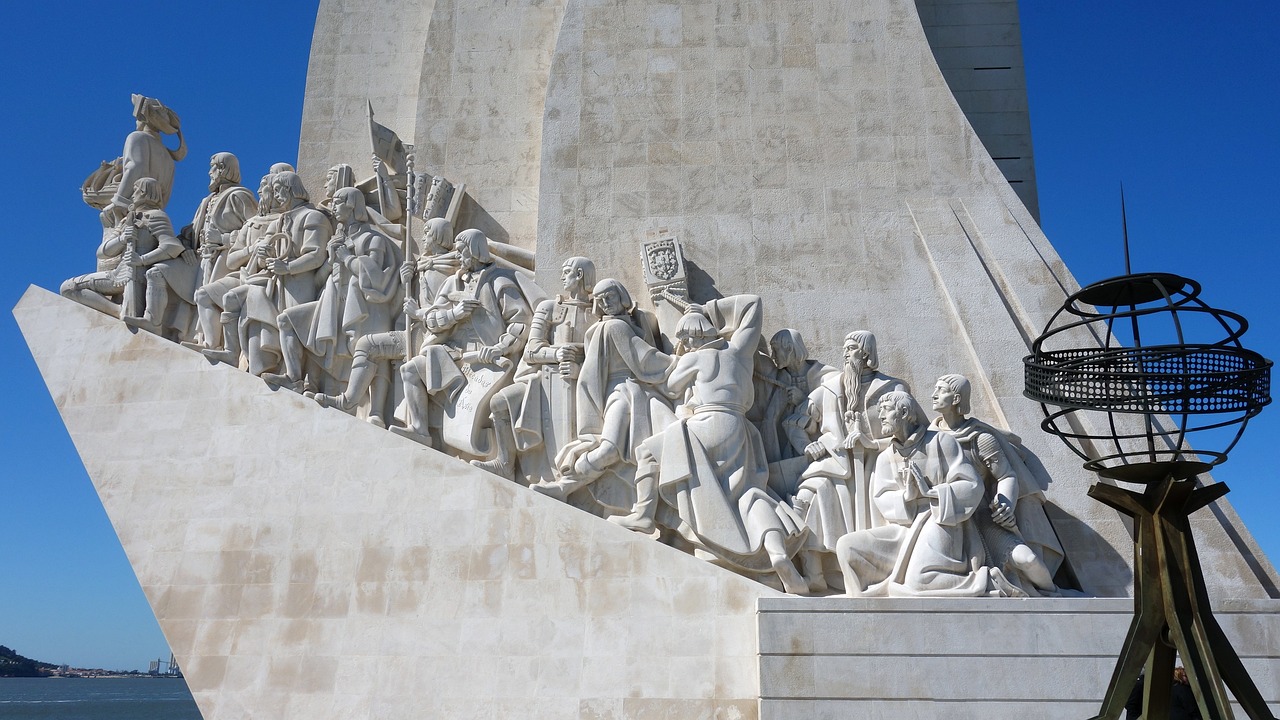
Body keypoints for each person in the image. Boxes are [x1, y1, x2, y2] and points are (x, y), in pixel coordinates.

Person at [615, 296, 810, 595]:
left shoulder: (694, 357)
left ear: (691, 338)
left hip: (707, 425)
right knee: (750, 495)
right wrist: (708, 309)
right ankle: (778, 554)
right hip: (740, 429)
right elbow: (753, 304)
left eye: (685, 339)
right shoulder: (739, 352)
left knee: (648, 452)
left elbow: (670, 386)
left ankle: (642, 515)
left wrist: (680, 354)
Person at [835, 390, 1010, 596]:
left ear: (904, 412)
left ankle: (985, 581)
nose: (880, 416)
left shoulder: (940, 442)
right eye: (880, 410)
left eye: (886, 410)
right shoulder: (885, 457)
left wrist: (931, 493)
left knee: (919, 581)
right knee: (847, 547)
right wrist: (906, 497)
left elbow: (971, 485)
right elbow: (882, 497)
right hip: (905, 528)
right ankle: (863, 617)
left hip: (940, 521)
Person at [781, 330, 908, 589]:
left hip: (876, 466)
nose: (844, 353)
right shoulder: (829, 388)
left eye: (850, 348)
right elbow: (793, 423)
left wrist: (871, 442)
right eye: (844, 347)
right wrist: (808, 445)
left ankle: (879, 568)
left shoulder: (892, 388)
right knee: (809, 495)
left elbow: (907, 432)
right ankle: (814, 573)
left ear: (866, 353)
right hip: (833, 461)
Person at [532, 277, 671, 509]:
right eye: (600, 299)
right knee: (611, 450)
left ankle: (566, 486)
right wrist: (679, 364)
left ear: (622, 296)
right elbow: (646, 361)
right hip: (620, 393)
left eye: (610, 296)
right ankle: (566, 486)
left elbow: (644, 357)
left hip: (631, 393)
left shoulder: (626, 323)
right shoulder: (610, 326)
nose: (606, 303)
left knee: (623, 451)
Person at [310, 216, 458, 427]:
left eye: (427, 232)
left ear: (437, 236)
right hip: (413, 330)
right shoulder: (424, 267)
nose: (423, 237)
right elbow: (400, 305)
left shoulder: (444, 271)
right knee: (369, 344)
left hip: (427, 337)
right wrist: (403, 282)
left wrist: (419, 313)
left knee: (367, 344)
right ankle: (359, 404)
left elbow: (443, 314)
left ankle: (348, 402)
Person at [930, 374, 1065, 595]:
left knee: (1028, 559)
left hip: (981, 517)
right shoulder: (929, 438)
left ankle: (1052, 593)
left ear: (956, 398)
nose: (933, 395)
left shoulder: (980, 438)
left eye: (941, 390)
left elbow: (1006, 476)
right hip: (944, 517)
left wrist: (1005, 506)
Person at [397, 229, 532, 448]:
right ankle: (420, 430)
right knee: (410, 370)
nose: (457, 256)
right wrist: (454, 314)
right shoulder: (453, 283)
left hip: (485, 358)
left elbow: (520, 323)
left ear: (475, 251)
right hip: (453, 353)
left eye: (461, 251)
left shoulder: (499, 283)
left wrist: (499, 348)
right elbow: (431, 320)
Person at [473, 257, 597, 483]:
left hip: (582, 383)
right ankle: (504, 462)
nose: (561, 277)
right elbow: (531, 350)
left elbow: (604, 356)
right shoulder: (549, 308)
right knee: (499, 402)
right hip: (539, 380)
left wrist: (580, 367)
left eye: (567, 271)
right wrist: (555, 353)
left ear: (579, 275)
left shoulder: (599, 313)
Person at [266, 187, 400, 394]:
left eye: (338, 202)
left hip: (360, 307)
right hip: (332, 302)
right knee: (287, 320)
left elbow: (376, 279)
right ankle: (294, 378)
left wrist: (346, 257)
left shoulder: (373, 239)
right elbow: (321, 281)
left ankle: (373, 409)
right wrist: (330, 261)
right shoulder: (337, 240)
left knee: (367, 354)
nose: (332, 206)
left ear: (352, 205)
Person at [222, 171, 329, 377]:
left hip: (299, 282)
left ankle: (299, 377)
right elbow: (265, 254)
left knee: (296, 328)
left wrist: (288, 268)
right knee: (242, 302)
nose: (276, 196)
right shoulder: (278, 222)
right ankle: (250, 360)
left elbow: (315, 255)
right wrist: (263, 253)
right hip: (276, 282)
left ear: (291, 190)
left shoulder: (313, 216)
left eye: (279, 191)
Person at [188, 170, 281, 359]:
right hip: (243, 274)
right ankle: (212, 344)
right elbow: (232, 260)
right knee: (203, 294)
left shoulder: (283, 221)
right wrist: (250, 249)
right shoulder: (251, 224)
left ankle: (232, 352)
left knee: (231, 298)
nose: (259, 193)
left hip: (267, 278)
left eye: (263, 190)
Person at [101, 95, 186, 227]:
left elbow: (135, 168)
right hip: (157, 216)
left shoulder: (137, 137)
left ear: (144, 118)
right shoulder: (169, 157)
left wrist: (118, 202)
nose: (136, 121)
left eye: (137, 117)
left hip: (131, 212)